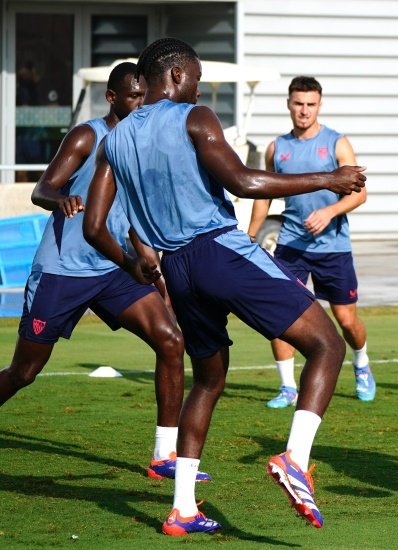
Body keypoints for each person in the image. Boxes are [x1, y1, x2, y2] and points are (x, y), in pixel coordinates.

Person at [83, 38, 366, 536]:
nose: (197, 87)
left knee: (209, 380)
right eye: (193, 77)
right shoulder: (194, 117)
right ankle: (296, 460)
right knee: (326, 345)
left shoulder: (116, 139)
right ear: (173, 75)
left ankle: (183, 509)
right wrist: (331, 177)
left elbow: (94, 224)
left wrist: (134, 262)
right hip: (218, 251)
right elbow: (243, 182)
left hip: (177, 271)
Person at [0, 61, 210, 482]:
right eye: (132, 96)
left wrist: (151, 263)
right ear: (112, 98)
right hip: (64, 271)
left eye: (144, 95)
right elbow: (43, 187)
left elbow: (136, 215)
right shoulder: (87, 135)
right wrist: (60, 200)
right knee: (25, 372)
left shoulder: (144, 145)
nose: (140, 103)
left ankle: (163, 455)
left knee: (171, 340)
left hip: (115, 267)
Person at [247, 76, 374, 407]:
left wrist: (330, 211)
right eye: (298, 103)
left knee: (346, 320)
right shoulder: (277, 148)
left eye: (310, 104)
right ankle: (288, 387)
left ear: (320, 105)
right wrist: (250, 235)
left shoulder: (336, 143)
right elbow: (265, 195)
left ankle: (361, 363)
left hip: (333, 248)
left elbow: (360, 194)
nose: (304, 111)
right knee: (281, 316)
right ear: (288, 104)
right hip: (290, 245)